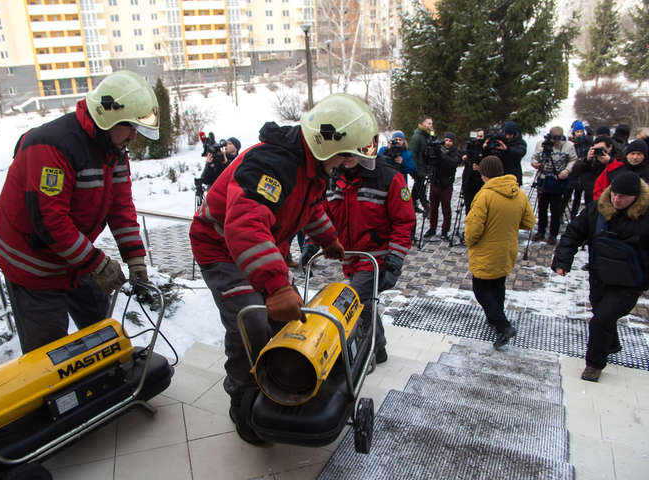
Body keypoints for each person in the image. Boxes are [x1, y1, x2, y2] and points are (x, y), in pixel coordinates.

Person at [189, 93, 378, 445]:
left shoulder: (312, 168)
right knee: (252, 322)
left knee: (286, 317)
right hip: (220, 248)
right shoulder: (270, 164)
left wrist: (328, 239)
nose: (345, 165)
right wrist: (275, 287)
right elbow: (243, 225)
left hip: (259, 245)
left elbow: (309, 208)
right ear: (327, 145)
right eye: (345, 156)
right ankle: (244, 401)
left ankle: (280, 385)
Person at [0, 70, 158, 353]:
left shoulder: (113, 150)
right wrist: (97, 263)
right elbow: (49, 222)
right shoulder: (51, 146)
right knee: (49, 354)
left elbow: (121, 209)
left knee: (101, 330)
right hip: (33, 267)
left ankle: (103, 385)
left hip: (72, 260)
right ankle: (56, 396)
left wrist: (136, 260)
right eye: (129, 126)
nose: (133, 135)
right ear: (108, 117)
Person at [552, 172, 649, 382]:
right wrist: (562, 259)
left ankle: (594, 364)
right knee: (601, 312)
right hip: (600, 276)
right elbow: (574, 232)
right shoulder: (598, 208)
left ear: (636, 197)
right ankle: (611, 344)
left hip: (630, 282)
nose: (616, 199)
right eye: (614, 194)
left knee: (601, 319)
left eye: (623, 196)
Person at [321, 151, 416, 363]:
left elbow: (404, 221)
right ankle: (378, 348)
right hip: (350, 256)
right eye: (342, 152)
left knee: (355, 299)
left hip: (376, 256)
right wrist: (312, 243)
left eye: (353, 151)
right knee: (366, 303)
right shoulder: (333, 179)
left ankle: (365, 350)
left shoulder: (388, 178)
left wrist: (395, 259)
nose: (347, 157)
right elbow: (322, 214)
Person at [465, 156, 535, 349]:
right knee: (497, 285)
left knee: (481, 289)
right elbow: (529, 222)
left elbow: (474, 229)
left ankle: (503, 325)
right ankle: (493, 318)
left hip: (486, 251)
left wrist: (469, 241)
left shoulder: (485, 195)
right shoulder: (518, 192)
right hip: (507, 249)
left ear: (484, 174)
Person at [530, 126, 577, 245]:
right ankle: (541, 231)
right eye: (554, 139)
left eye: (558, 139)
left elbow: (573, 160)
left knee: (556, 209)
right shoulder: (541, 144)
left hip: (558, 181)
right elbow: (534, 157)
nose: (555, 141)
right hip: (543, 179)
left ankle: (553, 234)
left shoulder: (568, 146)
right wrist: (535, 163)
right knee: (542, 207)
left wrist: (567, 170)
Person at [424, 132, 461, 241]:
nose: (448, 143)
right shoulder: (438, 149)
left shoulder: (455, 152)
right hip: (435, 182)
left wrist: (441, 155)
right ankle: (432, 228)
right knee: (433, 207)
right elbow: (429, 161)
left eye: (450, 141)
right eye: (446, 140)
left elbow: (453, 163)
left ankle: (445, 230)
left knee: (446, 209)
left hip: (446, 185)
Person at [565, 121, 594, 219]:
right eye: (577, 131)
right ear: (573, 132)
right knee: (567, 195)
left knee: (578, 196)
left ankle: (574, 215)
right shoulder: (570, 143)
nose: (580, 133)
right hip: (572, 172)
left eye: (581, 131)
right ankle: (561, 214)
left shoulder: (587, 143)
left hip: (582, 172)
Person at [575, 135, 614, 207]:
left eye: (601, 149)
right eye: (596, 149)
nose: (599, 151)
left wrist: (610, 162)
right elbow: (576, 170)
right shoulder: (593, 159)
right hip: (592, 196)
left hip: (610, 197)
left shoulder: (617, 158)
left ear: (610, 147)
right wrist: (587, 160)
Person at [408, 115, 433, 213]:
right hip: (418, 168)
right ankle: (417, 203)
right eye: (428, 123)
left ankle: (417, 202)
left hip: (425, 167)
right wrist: (414, 170)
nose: (431, 125)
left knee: (421, 185)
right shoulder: (417, 137)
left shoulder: (428, 135)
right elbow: (412, 153)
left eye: (431, 123)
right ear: (422, 124)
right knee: (419, 184)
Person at [461, 128, 485, 215]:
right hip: (468, 182)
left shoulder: (485, 149)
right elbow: (463, 151)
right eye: (477, 136)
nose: (478, 139)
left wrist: (480, 167)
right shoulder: (469, 146)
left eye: (481, 136)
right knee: (469, 207)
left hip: (480, 182)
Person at [495, 121, 527, 186]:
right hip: (500, 174)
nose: (507, 137)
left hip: (514, 175)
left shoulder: (520, 142)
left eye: (510, 134)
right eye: (506, 134)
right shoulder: (500, 141)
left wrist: (507, 149)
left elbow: (520, 152)